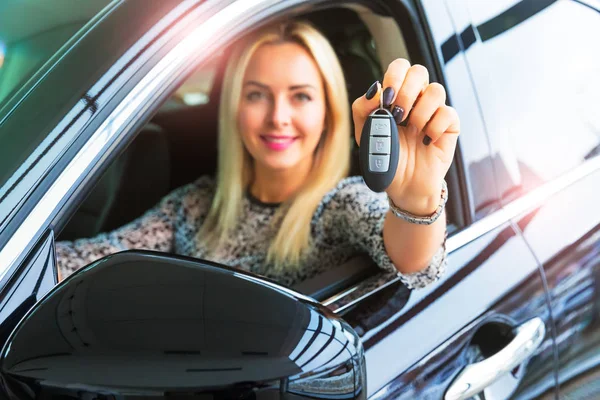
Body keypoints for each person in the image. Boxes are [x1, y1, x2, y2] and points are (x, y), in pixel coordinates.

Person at [56, 21, 460, 290]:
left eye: (300, 96)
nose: (277, 117)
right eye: (257, 95)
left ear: (328, 114)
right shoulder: (196, 204)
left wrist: (416, 199)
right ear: (235, 108)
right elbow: (95, 257)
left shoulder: (341, 205)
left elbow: (413, 262)